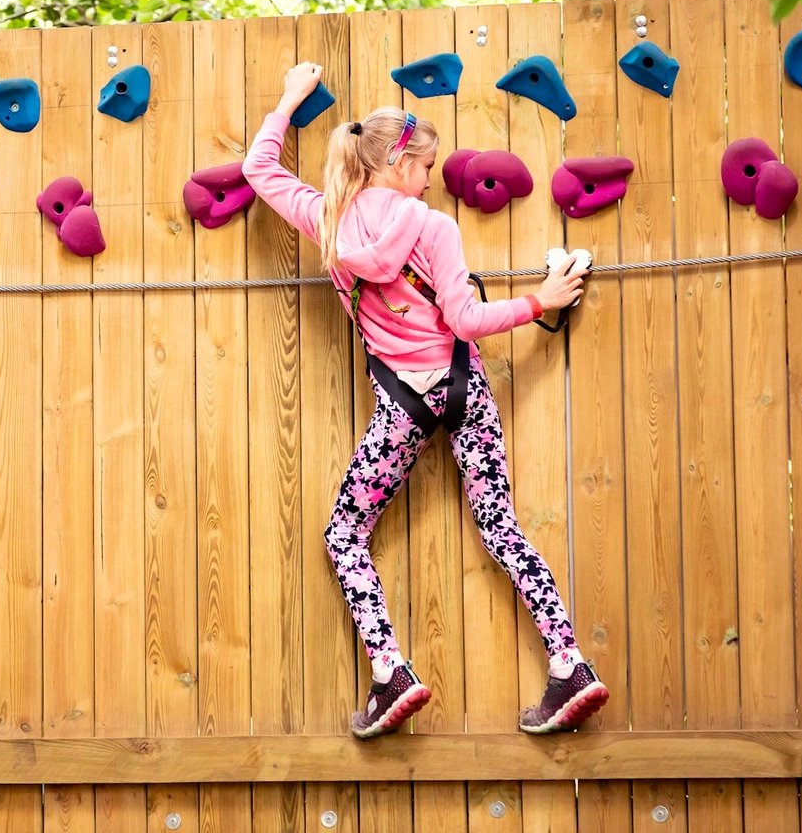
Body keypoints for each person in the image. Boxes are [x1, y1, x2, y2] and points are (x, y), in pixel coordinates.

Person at [242, 61, 609, 738]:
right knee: (501, 528)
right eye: (427, 165)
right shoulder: (433, 226)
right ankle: (569, 664)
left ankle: (390, 672)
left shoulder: (325, 219)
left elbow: (258, 168)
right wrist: (542, 300)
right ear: (398, 162)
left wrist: (290, 98)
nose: (432, 178)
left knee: (345, 535)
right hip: (464, 390)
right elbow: (465, 322)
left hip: (401, 407)